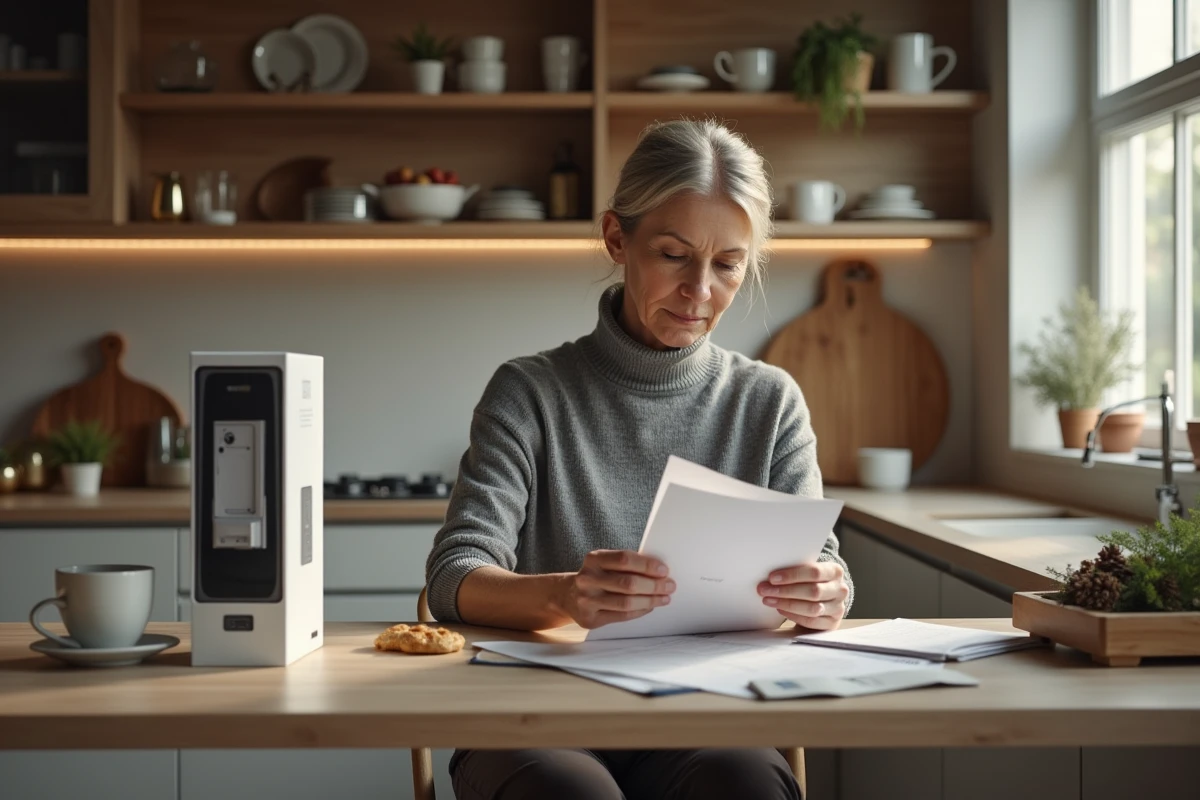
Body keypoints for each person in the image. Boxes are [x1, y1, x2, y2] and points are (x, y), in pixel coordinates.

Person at [426, 118, 853, 800]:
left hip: (708, 713)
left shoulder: (769, 401)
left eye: (728, 264)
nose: (700, 290)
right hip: (537, 717)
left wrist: (827, 592)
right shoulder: (529, 392)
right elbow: (454, 577)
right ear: (617, 238)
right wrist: (565, 596)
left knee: (745, 785)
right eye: (674, 255)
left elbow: (823, 567)